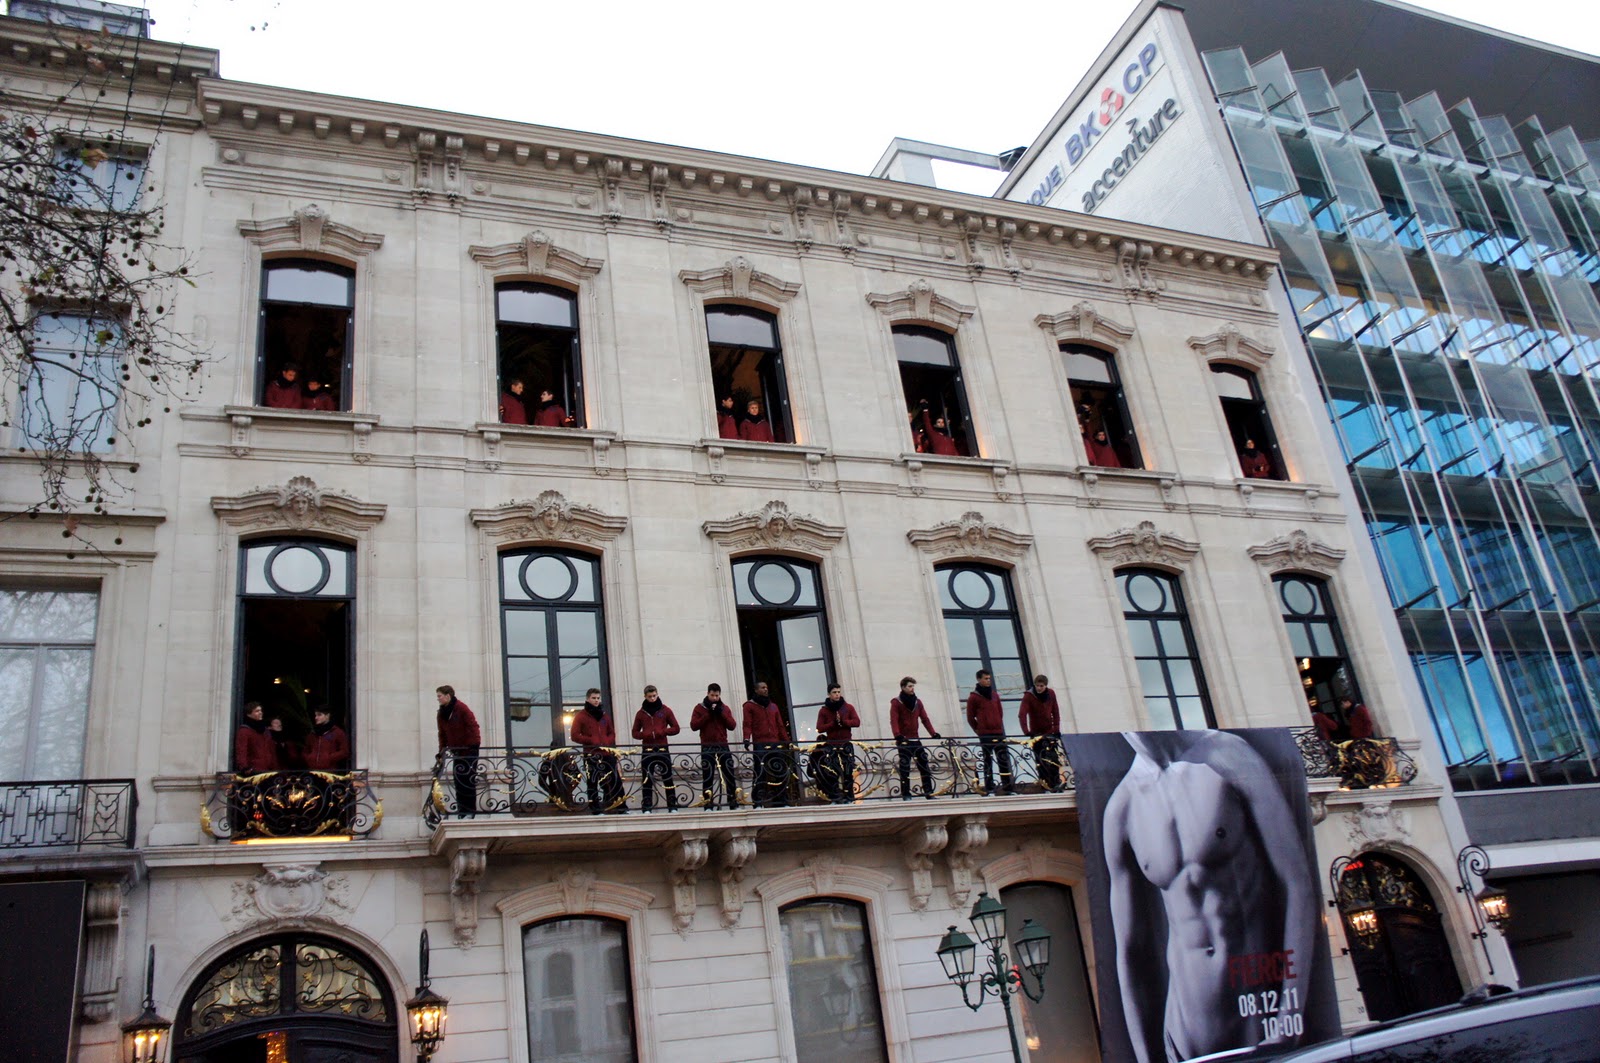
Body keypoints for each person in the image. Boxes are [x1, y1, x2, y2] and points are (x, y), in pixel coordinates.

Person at [1103, 730, 1317, 1063]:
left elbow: (1296, 882)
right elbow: (1130, 952)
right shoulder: (1122, 807)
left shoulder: (1227, 755)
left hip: (1259, 1012)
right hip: (1185, 1029)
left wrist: (1288, 1017)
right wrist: (1146, 1057)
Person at [572, 688, 623, 814]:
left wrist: (607, 741)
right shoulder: (581, 716)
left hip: (606, 753)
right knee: (593, 781)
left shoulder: (604, 715)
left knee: (615, 780)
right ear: (587, 699)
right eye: (594, 698)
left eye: (598, 698)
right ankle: (595, 809)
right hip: (591, 754)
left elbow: (611, 732)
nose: (596, 701)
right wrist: (591, 740)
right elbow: (574, 735)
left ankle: (621, 807)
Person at [631, 685, 680, 812]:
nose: (652, 699)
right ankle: (647, 807)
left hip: (662, 748)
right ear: (645, 697)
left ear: (657, 695)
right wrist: (645, 735)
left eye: (654, 696)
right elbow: (635, 732)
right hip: (647, 749)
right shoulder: (641, 714)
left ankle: (672, 806)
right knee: (647, 778)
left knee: (667, 777)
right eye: (650, 697)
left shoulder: (665, 710)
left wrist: (663, 731)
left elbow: (676, 728)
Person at [890, 677, 941, 799]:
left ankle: (928, 792)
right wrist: (897, 734)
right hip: (903, 740)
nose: (912, 689)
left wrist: (933, 733)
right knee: (905, 767)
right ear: (903, 687)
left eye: (913, 686)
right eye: (909, 686)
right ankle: (906, 793)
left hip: (915, 739)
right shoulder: (896, 702)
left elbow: (925, 719)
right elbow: (894, 720)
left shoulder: (918, 702)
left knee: (924, 764)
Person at [742, 681, 791, 807]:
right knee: (760, 772)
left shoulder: (773, 706)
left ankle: (782, 800)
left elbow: (780, 725)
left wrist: (787, 741)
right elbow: (747, 723)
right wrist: (746, 738)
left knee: (780, 771)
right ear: (756, 690)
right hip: (760, 743)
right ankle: (758, 802)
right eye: (763, 688)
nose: (765, 690)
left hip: (775, 742)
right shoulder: (749, 706)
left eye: (766, 687)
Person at [691, 683, 740, 808]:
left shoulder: (724, 707)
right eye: (712, 695)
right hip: (707, 745)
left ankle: (732, 800)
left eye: (717, 696)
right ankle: (708, 803)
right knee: (708, 774)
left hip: (722, 744)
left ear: (719, 695)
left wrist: (721, 713)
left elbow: (732, 725)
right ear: (708, 694)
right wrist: (707, 715)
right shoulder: (699, 708)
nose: (714, 698)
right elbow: (694, 726)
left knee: (728, 773)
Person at [966, 669, 1014, 795]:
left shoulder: (994, 695)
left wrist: (997, 723)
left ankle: (1008, 787)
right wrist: (979, 729)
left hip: (998, 732)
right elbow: (970, 717)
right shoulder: (973, 697)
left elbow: (1000, 712)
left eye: (989, 678)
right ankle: (990, 788)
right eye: (985, 678)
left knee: (1003, 760)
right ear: (979, 679)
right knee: (988, 761)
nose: (988, 681)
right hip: (985, 734)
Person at [435, 685, 480, 817]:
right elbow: (442, 734)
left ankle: (470, 811)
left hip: (469, 750)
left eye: (439, 696)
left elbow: (473, 726)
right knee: (458, 780)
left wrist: (474, 746)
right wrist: (441, 752)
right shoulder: (441, 713)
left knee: (468, 780)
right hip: (457, 752)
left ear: (448, 696)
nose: (438, 699)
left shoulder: (461, 708)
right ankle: (462, 810)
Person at [815, 684, 861, 804]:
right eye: (834, 692)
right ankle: (835, 797)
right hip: (832, 744)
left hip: (845, 743)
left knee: (848, 771)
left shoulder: (848, 707)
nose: (837, 694)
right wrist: (832, 724)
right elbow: (819, 727)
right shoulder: (824, 710)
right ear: (829, 694)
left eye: (838, 692)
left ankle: (849, 797)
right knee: (832, 772)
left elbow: (857, 722)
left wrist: (844, 722)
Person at [1020, 675, 1065, 792]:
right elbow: (1022, 714)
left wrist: (1056, 728)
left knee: (1053, 758)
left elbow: (1055, 711)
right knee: (1041, 759)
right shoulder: (1029, 696)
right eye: (1037, 686)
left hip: (1049, 731)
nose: (1039, 688)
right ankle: (1045, 784)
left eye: (1041, 686)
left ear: (1045, 686)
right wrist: (1026, 731)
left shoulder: (1051, 694)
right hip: (1036, 733)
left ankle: (1056, 782)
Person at [234, 701, 279, 775]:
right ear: (249, 714)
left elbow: (271, 750)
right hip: (253, 771)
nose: (260, 712)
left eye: (261, 710)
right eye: (257, 711)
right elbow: (241, 750)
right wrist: (244, 767)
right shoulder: (244, 731)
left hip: (268, 770)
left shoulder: (265, 731)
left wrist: (275, 767)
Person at [303, 706, 350, 771]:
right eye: (315, 715)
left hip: (330, 772)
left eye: (319, 715)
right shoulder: (312, 734)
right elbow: (305, 751)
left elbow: (344, 751)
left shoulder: (337, 732)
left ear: (327, 716)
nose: (316, 718)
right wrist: (309, 758)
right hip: (313, 771)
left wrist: (329, 758)